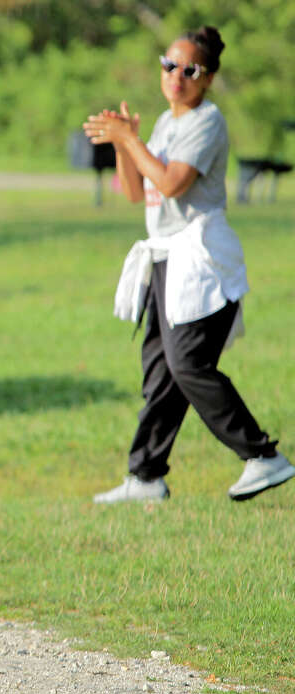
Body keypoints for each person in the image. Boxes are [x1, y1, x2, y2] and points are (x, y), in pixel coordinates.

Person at [83, 26, 294, 503]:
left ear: (209, 78)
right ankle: (145, 476)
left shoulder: (207, 121)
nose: (177, 76)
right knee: (160, 369)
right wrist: (124, 143)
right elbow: (138, 191)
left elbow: (174, 183)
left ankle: (262, 456)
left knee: (188, 364)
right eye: (169, 65)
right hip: (165, 258)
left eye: (190, 70)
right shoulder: (165, 123)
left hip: (201, 260)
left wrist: (129, 142)